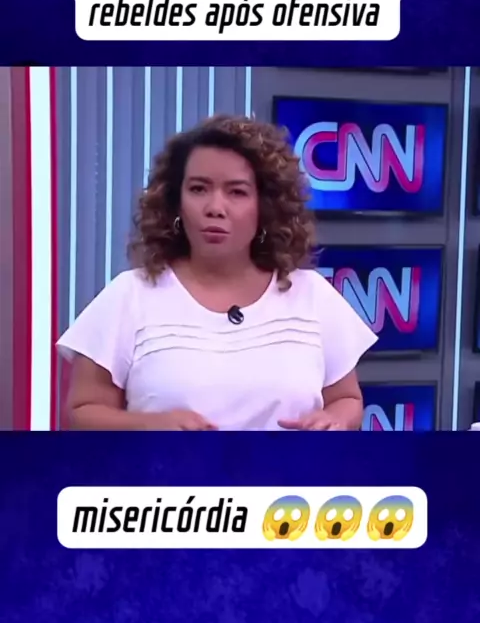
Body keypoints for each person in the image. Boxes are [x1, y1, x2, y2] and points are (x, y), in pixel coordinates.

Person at [57, 114, 377, 431]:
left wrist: (334, 421)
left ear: (265, 206)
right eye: (198, 189)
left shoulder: (312, 295)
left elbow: (347, 399)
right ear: (176, 202)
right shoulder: (130, 295)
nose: (215, 208)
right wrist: (149, 426)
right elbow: (83, 412)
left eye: (236, 192)